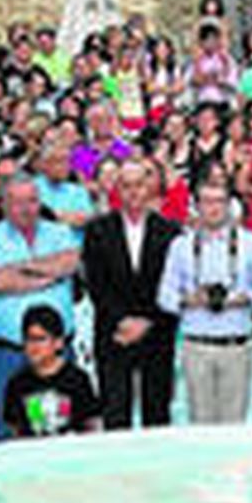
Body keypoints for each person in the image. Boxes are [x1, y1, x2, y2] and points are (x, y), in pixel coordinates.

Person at [158, 175, 252, 426]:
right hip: (197, 344)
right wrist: (190, 299)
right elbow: (164, 296)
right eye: (207, 202)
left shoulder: (250, 244)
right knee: (200, 423)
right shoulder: (181, 245)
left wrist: (241, 299)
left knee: (234, 424)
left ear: (230, 205)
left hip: (236, 344)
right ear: (196, 206)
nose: (214, 208)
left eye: (220, 201)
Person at [0, 175, 80, 437]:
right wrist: (49, 274)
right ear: (3, 205)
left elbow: (69, 263)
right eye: (18, 202)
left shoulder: (60, 232)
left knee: (58, 433)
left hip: (56, 355)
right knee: (9, 433)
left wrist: (20, 266)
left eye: (32, 201)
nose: (26, 208)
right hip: (9, 356)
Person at [81, 157, 181, 430]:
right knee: (115, 416)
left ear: (149, 188)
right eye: (126, 186)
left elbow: (172, 285)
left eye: (139, 184)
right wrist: (123, 321)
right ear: (117, 190)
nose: (134, 191)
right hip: (114, 335)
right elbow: (96, 285)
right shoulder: (97, 231)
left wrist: (147, 322)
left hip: (157, 334)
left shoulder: (171, 232)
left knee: (157, 416)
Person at [2, 304, 102, 437]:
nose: (33, 346)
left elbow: (91, 424)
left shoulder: (77, 379)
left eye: (40, 339)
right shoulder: (18, 384)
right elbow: (14, 430)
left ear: (58, 342)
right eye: (28, 339)